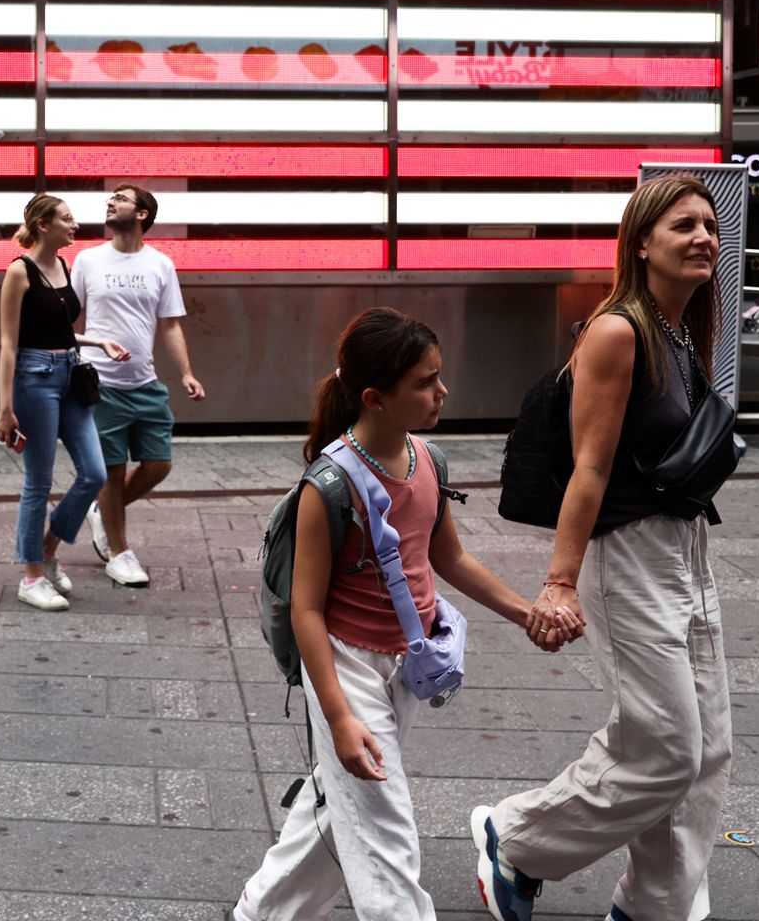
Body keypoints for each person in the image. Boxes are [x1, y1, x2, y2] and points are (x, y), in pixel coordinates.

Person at [234, 307, 577, 921]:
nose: (442, 391)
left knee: (337, 806)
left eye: (438, 376)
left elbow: (449, 558)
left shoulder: (428, 460)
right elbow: (307, 612)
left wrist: (526, 611)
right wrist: (337, 716)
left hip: (405, 665)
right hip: (346, 667)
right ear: (375, 397)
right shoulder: (329, 485)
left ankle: (260, 912)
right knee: (385, 827)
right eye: (424, 382)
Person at [471, 174, 733, 921]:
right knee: (668, 749)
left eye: (709, 226)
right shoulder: (619, 330)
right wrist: (558, 581)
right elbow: (589, 464)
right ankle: (515, 837)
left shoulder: (683, 330)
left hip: (686, 549)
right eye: (682, 225)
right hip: (628, 558)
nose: (702, 238)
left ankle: (654, 906)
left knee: (705, 748)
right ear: (641, 242)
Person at [0, 194, 129, 611]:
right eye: (67, 218)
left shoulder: (63, 266)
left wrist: (96, 340)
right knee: (39, 480)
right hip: (34, 380)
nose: (75, 224)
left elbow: (59, 330)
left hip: (70, 372)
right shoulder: (20, 272)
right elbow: (8, 344)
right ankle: (31, 576)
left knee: (94, 472)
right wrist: (4, 406)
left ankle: (48, 549)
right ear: (42, 225)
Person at [73, 183, 204, 588]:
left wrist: (185, 372)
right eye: (110, 199)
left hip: (145, 382)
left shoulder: (160, 264)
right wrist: (76, 360)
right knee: (111, 473)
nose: (110, 202)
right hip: (101, 384)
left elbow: (170, 323)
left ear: (142, 213)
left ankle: (103, 511)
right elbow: (72, 321)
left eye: (121, 198)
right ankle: (119, 552)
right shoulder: (87, 260)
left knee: (158, 465)